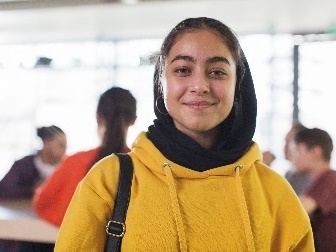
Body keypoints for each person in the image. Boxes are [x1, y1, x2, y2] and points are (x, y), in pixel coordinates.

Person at [55, 17, 314, 251]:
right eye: (182, 70)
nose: (200, 85)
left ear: (239, 85)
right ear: (161, 83)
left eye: (217, 72)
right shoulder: (110, 180)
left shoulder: (274, 192)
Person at [33, 86, 137, 227]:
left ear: (98, 117)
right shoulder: (141, 167)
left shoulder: (74, 162)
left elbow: (42, 204)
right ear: (133, 120)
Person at [291, 127, 336, 252]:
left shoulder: (330, 179)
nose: (291, 156)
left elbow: (293, 213)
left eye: (297, 150)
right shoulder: (319, 180)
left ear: (316, 152)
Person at [0, 125, 67, 199]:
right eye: (61, 145)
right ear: (46, 143)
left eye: (65, 146)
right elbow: (3, 189)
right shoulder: (24, 165)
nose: (64, 150)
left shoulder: (67, 167)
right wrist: (32, 189)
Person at [283, 122, 311, 195]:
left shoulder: (307, 176)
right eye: (285, 141)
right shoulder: (289, 173)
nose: (285, 147)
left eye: (290, 141)